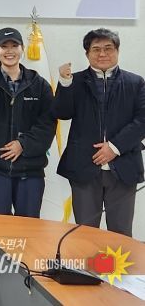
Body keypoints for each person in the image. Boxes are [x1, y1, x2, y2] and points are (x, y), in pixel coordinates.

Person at [54, 28, 145, 236]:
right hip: (84, 168)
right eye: (96, 49)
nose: (102, 54)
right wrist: (65, 84)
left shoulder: (136, 83)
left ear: (117, 51)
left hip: (123, 167)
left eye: (108, 48)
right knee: (85, 233)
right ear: (87, 54)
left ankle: (119, 262)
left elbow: (142, 120)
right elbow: (61, 113)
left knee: (121, 233)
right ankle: (85, 261)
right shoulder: (74, 81)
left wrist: (114, 147)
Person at [0, 28, 55, 218]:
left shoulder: (39, 84)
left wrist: (23, 144)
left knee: (28, 226)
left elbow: (47, 125)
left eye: (14, 45)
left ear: (22, 48)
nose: (10, 51)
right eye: (4, 46)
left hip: (30, 169)